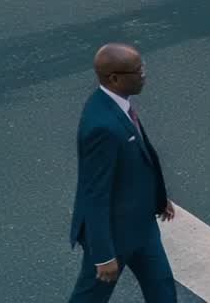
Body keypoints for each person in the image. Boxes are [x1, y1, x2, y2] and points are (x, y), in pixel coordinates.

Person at [68, 44, 176, 303]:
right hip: (114, 235)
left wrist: (159, 199)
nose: (144, 74)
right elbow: (94, 193)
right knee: (91, 296)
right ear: (114, 78)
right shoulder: (101, 127)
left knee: (162, 290)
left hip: (142, 225)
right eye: (137, 71)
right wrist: (103, 255)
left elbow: (141, 158)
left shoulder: (117, 105)